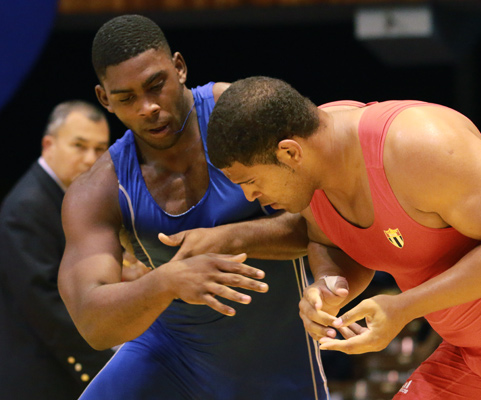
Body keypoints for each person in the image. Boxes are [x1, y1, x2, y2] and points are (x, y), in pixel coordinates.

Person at [206, 76, 481, 399]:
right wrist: (329, 286)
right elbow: (329, 241)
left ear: (290, 153)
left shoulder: (418, 145)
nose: (250, 197)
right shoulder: (311, 163)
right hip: (476, 349)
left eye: (251, 181)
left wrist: (404, 307)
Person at [57, 16, 328, 400]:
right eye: (126, 98)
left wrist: (224, 238)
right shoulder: (99, 190)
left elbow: (326, 223)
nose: (148, 107)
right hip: (170, 360)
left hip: (275, 365)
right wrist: (167, 281)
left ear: (180, 68)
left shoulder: (243, 114)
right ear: (104, 99)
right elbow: (93, 323)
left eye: (156, 85)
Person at [0, 100, 112, 399]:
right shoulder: (25, 208)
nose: (91, 159)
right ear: (48, 145)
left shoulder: (71, 196)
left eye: (100, 148)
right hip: (41, 378)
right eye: (79, 145)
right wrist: (110, 368)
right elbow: (47, 306)